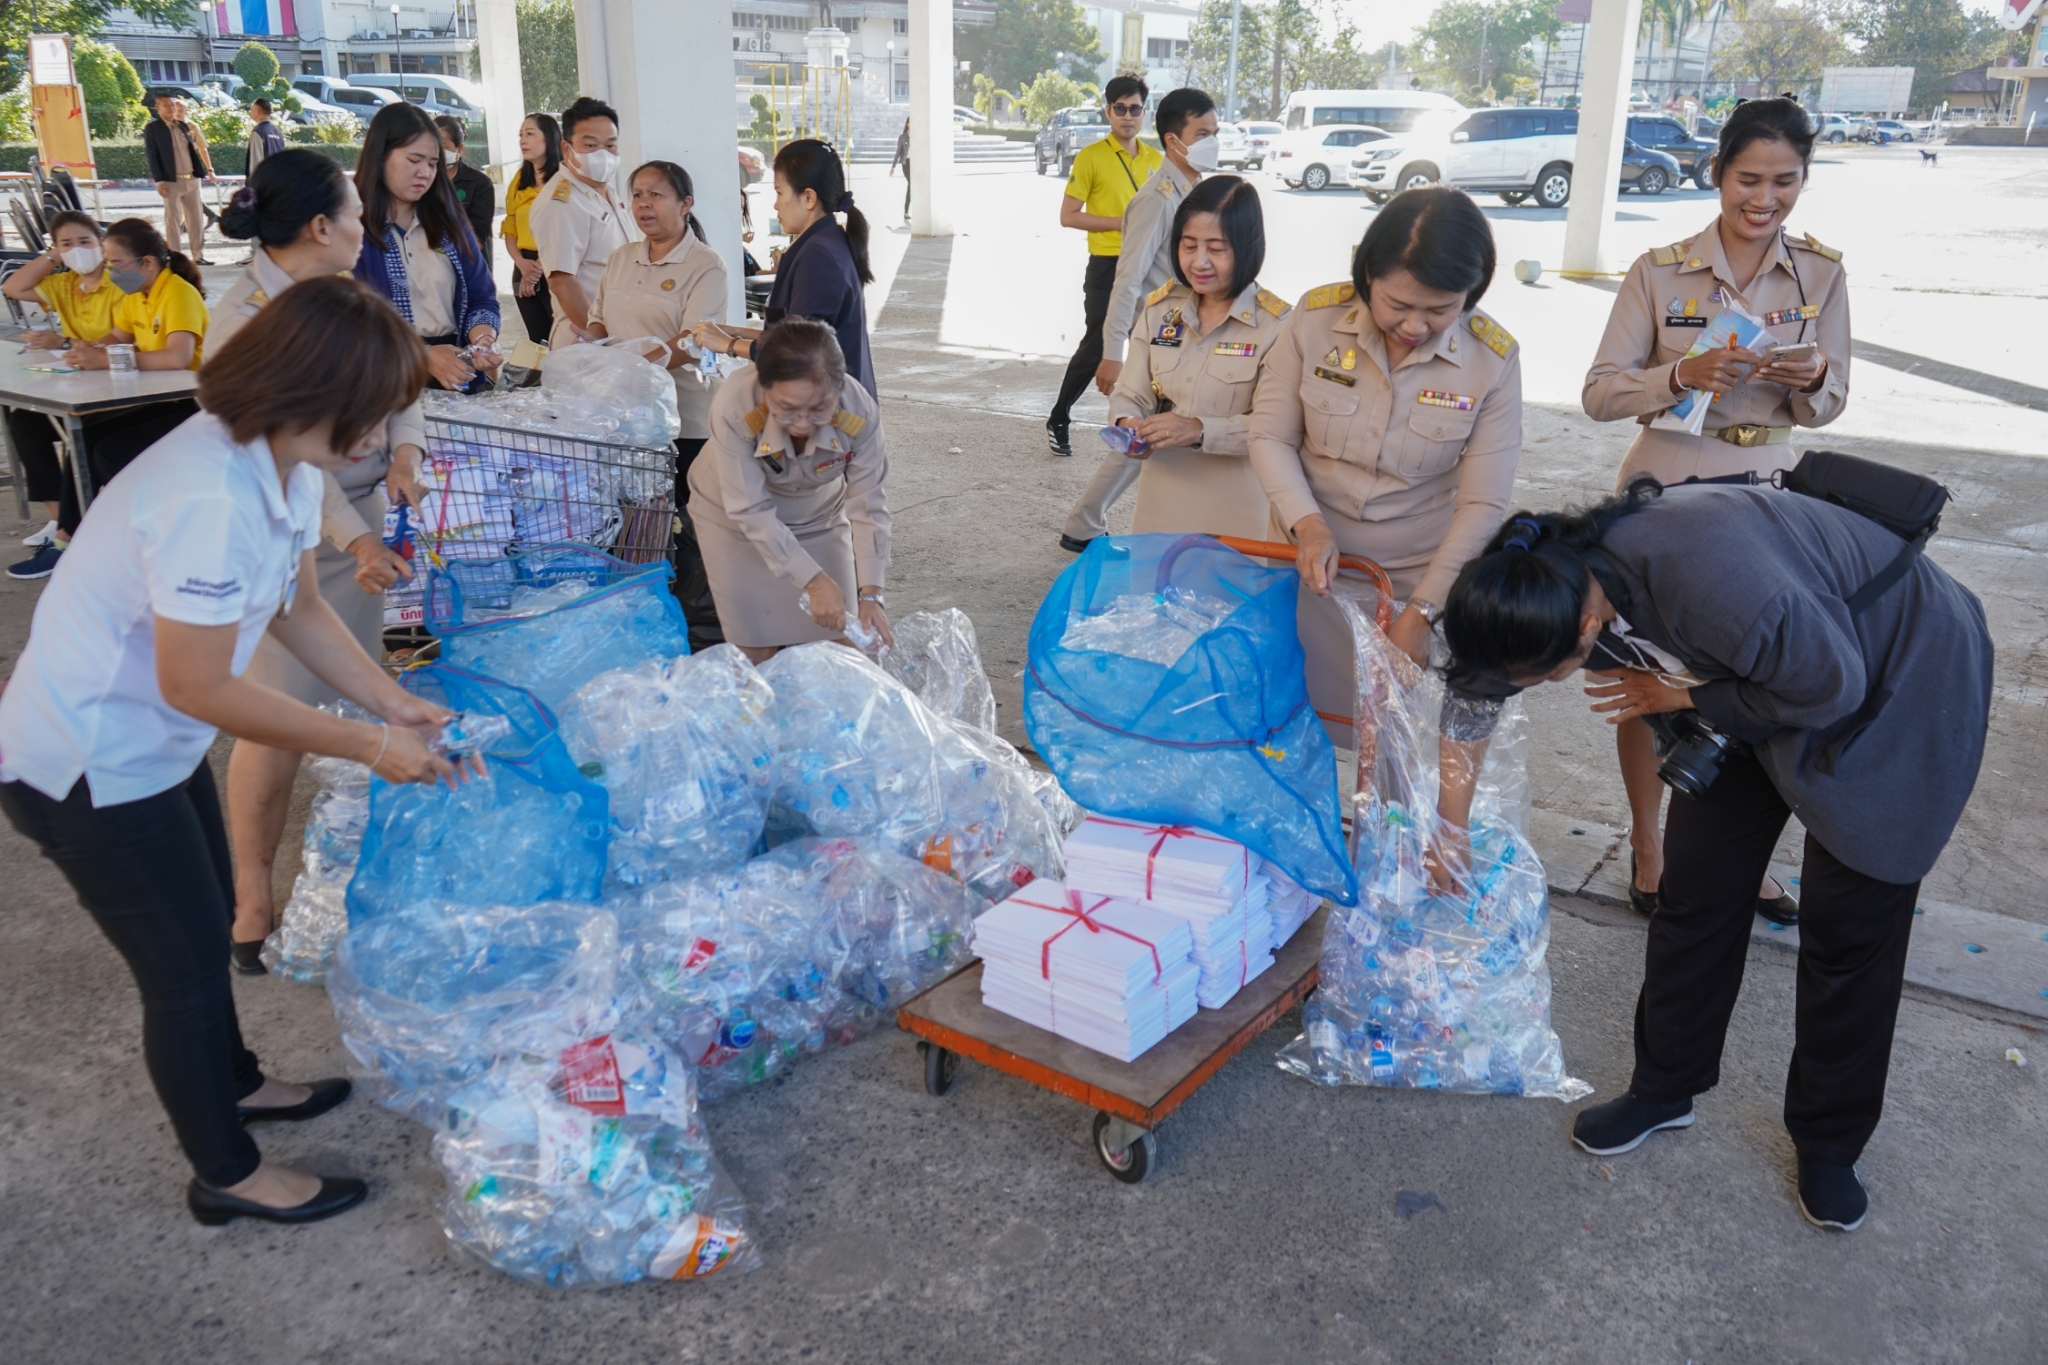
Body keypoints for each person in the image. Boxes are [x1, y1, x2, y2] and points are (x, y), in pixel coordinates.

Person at [0, 277, 476, 1226]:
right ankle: (226, 1171)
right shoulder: (206, 494)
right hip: (85, 761)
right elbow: (202, 685)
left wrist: (392, 698)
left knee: (210, 913)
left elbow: (299, 606)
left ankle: (240, 1080)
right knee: (177, 969)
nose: (379, 441)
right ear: (312, 391)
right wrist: (370, 742)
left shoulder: (287, 469)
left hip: (151, 746)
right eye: (372, 417)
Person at [1436, 480, 1991, 1233]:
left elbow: (1830, 683)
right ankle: (1665, 1087)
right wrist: (1450, 823)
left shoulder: (1705, 575)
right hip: (1764, 676)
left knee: (1851, 925)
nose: (1529, 687)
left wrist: (1683, 698)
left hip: (1896, 671)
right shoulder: (1535, 581)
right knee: (1695, 889)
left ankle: (1830, 1144)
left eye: (1547, 676)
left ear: (1589, 627)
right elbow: (1477, 687)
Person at [1583, 95, 1848, 924]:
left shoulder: (1822, 272)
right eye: (1747, 179)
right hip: (1664, 486)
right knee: (1644, 676)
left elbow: (1836, 397)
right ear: (1717, 173)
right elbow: (1598, 392)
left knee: (1747, 687)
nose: (1763, 198)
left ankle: (1738, 856)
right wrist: (1677, 378)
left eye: (1784, 181)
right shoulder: (1659, 270)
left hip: (1767, 497)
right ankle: (1651, 845)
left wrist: (1810, 383)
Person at [213, 150, 419, 967]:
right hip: (298, 537)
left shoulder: (345, 299)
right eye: (356, 215)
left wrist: (403, 455)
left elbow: (402, 391)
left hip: (353, 530)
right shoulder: (243, 322)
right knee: (273, 717)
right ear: (318, 226)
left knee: (348, 694)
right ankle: (249, 901)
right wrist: (355, 535)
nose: (366, 229)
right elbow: (286, 464)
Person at [1245, 186, 1522, 751]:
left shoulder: (1492, 360)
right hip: (1303, 570)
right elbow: (1270, 435)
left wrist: (1423, 609)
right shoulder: (1315, 320)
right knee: (1283, 730)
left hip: (1410, 585)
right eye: (1398, 304)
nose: (1416, 325)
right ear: (1367, 273)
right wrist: (1308, 523)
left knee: (1394, 746)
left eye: (1441, 309)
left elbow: (1483, 504)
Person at [1059, 86, 1219, 552]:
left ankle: (1084, 522)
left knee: (1145, 433)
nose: (1213, 141)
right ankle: (1089, 522)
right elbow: (1126, 280)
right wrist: (1111, 355)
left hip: (1184, 328)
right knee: (1155, 430)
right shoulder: (1159, 197)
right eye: (1203, 133)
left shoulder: (1191, 192)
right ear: (1174, 141)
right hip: (1165, 333)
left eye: (1215, 132)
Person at [580, 160, 730, 648]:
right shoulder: (622, 257)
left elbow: (695, 340)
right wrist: (602, 357)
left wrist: (633, 367)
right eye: (638, 195)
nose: (645, 204)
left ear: (685, 205)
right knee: (633, 517)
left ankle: (705, 621)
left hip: (684, 417)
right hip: (622, 416)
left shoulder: (704, 264)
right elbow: (598, 318)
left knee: (692, 517)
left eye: (657, 195)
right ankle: (643, 612)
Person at [690, 318, 891, 662]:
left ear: (838, 388)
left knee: (848, 649)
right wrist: (813, 581)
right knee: (756, 653)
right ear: (765, 388)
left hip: (818, 519)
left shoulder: (860, 412)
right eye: (787, 409)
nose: (802, 423)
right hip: (734, 523)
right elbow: (749, 509)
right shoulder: (736, 405)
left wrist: (871, 594)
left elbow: (869, 504)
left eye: (818, 408)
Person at [1104, 175, 1287, 540]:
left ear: (1247, 247)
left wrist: (1200, 429)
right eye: (1189, 246)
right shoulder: (1160, 312)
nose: (1199, 262)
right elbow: (1131, 391)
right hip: (1160, 509)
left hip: (1238, 517)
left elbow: (1278, 429)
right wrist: (1128, 422)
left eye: (1216, 249)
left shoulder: (1279, 327)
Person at [688, 139, 874, 398]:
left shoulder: (818, 255)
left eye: (779, 192)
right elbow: (795, 330)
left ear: (808, 198)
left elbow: (798, 349)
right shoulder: (828, 241)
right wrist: (736, 331)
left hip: (825, 410)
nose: (776, 204)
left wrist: (727, 344)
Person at [1044, 74, 1160, 458]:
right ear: (1109, 111)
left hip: (1148, 266)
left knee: (1154, 346)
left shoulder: (1156, 160)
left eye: (1135, 109)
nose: (1128, 116)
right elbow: (1068, 215)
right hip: (1107, 264)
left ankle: (1147, 428)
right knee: (1097, 347)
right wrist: (1120, 223)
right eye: (1120, 108)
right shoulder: (1091, 157)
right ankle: (1059, 418)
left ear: (1145, 112)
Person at [352, 102, 501, 393]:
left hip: (458, 375)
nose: (425, 173)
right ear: (380, 156)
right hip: (387, 384)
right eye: (414, 160)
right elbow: (348, 327)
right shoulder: (351, 229)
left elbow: (482, 296)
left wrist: (483, 339)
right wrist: (421, 356)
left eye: (433, 164)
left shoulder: (449, 221)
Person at [3, 211, 121, 578]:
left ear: (101, 243)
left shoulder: (120, 281)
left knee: (80, 431)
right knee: (23, 418)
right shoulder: (64, 283)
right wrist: (54, 257)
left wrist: (66, 341)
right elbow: (13, 288)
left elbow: (122, 337)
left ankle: (70, 534)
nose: (77, 250)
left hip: (115, 383)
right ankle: (60, 521)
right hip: (78, 379)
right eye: (66, 244)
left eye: (85, 242)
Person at [531, 95, 630, 350]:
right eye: (591, 145)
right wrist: (599, 337)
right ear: (567, 148)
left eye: (611, 146)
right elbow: (562, 280)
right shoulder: (561, 201)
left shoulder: (605, 191)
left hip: (616, 334)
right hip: (585, 339)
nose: (603, 155)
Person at [500, 112, 561, 346]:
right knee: (538, 340)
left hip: (556, 263)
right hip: (523, 263)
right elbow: (510, 226)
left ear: (550, 138)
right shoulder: (519, 179)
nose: (523, 140)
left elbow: (566, 230)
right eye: (521, 135)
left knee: (563, 338)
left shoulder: (565, 179)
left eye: (530, 134)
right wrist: (522, 264)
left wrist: (538, 269)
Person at [143, 91, 214, 263]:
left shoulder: (184, 126)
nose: (171, 108)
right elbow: (152, 155)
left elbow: (195, 150)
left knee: (195, 220)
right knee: (173, 220)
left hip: (190, 179)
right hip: (170, 181)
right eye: (166, 105)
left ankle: (198, 255)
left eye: (173, 105)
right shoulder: (153, 129)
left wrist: (204, 171)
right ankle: (175, 256)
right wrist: (159, 180)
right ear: (157, 107)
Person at [435, 114, 496, 273]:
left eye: (443, 145)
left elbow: (478, 236)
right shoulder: (423, 182)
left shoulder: (479, 184)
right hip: (433, 271)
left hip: (471, 268)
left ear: (459, 148)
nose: (438, 152)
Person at [244, 98, 286, 178]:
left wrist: (254, 184)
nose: (250, 112)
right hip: (277, 181)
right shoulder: (278, 132)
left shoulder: (258, 132)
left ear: (257, 111)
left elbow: (256, 162)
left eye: (251, 110)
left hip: (262, 183)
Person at [889, 117, 911, 220]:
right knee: (911, 184)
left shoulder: (917, 136)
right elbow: (898, 152)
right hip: (906, 163)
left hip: (915, 163)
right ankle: (906, 210)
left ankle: (906, 211)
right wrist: (893, 166)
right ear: (908, 124)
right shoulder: (903, 137)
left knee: (912, 186)